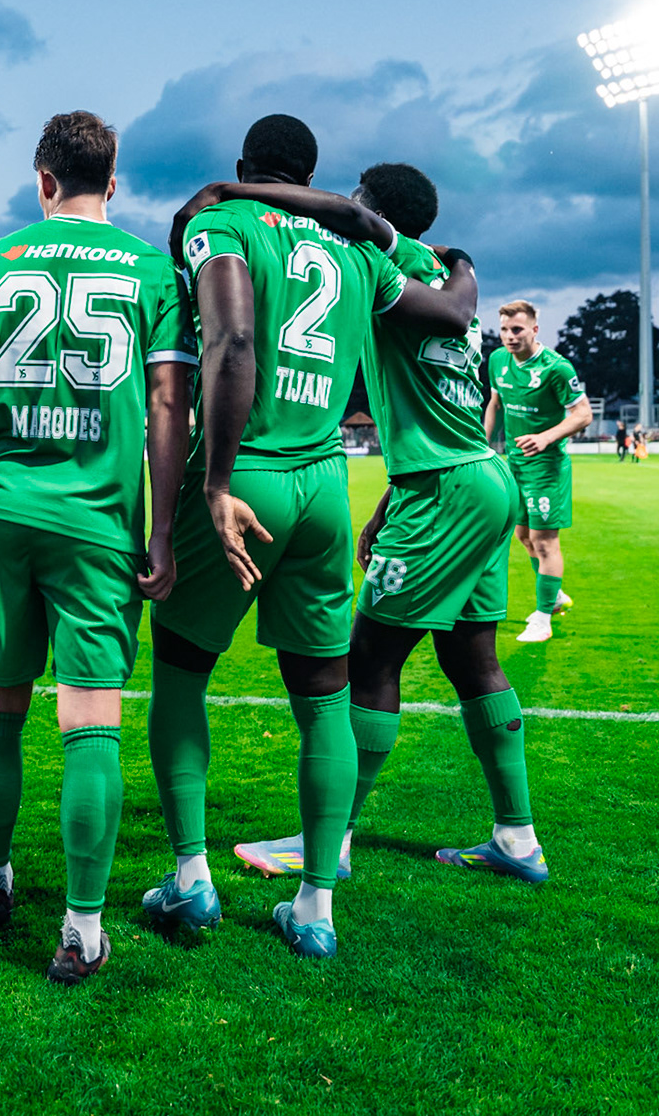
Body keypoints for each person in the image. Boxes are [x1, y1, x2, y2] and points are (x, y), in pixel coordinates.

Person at [148, 139, 478, 959]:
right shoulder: (359, 248)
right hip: (327, 486)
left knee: (181, 670)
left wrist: (215, 481)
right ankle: (316, 906)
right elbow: (448, 312)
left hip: (247, 473)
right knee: (325, 695)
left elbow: (231, 343)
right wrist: (459, 263)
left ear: (246, 167)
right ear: (309, 172)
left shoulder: (225, 221)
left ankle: (191, 878)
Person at [0, 111, 194, 985]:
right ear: (111, 182)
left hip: (2, 512)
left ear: (43, 180)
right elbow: (169, 404)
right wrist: (161, 528)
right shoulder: (151, 269)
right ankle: (80, 927)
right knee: (90, 719)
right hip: (98, 522)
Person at [484, 303, 592, 644]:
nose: (509, 336)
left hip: (546, 468)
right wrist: (484, 445)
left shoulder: (556, 368)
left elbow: (583, 414)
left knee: (545, 541)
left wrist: (545, 437)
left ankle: (543, 619)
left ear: (534, 330)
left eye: (517, 329)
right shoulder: (497, 360)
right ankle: (555, 596)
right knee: (523, 535)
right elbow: (495, 404)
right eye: (504, 330)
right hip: (514, 463)